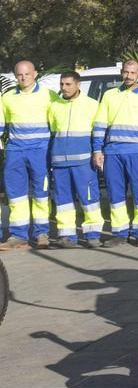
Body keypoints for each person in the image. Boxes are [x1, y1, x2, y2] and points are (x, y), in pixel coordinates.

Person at [92, 59, 138, 247]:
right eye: (126, 72)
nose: (129, 76)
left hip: (137, 153)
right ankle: (120, 233)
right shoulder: (109, 95)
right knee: (115, 194)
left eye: (133, 73)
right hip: (112, 153)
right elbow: (100, 125)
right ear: (121, 72)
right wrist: (97, 149)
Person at [0, 60, 55, 250]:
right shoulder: (7, 97)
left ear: (35, 74)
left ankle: (41, 233)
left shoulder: (48, 95)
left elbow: (57, 123)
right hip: (15, 151)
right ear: (15, 76)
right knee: (16, 195)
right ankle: (18, 235)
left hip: (40, 151)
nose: (23, 78)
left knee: (40, 193)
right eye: (19, 75)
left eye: (27, 74)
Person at [48, 72, 102, 248]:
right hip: (59, 163)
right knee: (63, 200)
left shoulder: (92, 105)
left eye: (68, 84)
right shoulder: (54, 106)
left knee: (89, 198)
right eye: (62, 84)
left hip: (83, 162)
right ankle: (67, 235)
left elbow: (98, 134)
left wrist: (96, 153)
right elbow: (54, 131)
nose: (64, 88)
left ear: (78, 85)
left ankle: (92, 234)